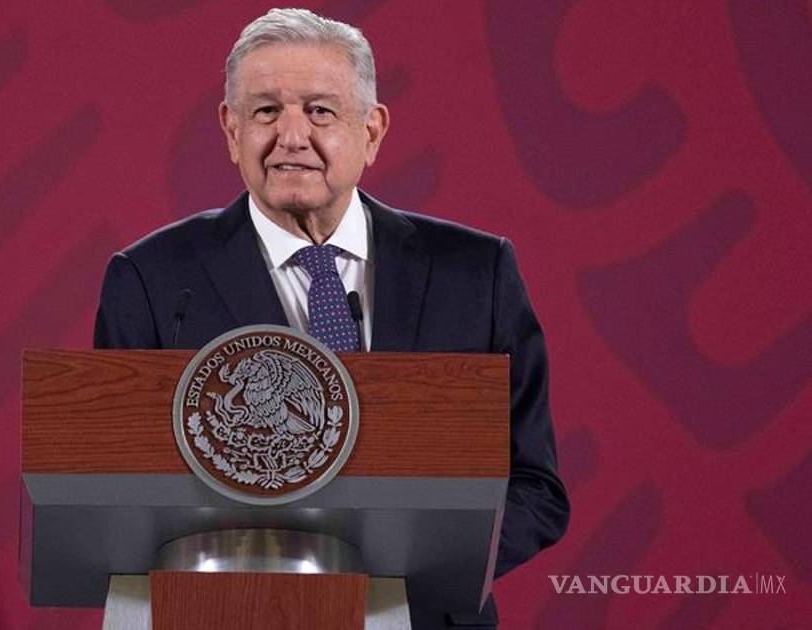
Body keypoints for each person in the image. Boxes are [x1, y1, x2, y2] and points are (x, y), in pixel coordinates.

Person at [94, 8, 568, 628]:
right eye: (266, 111)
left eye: (320, 111)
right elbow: (113, 494)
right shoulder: (151, 279)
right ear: (231, 130)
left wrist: (411, 570)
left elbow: (534, 484)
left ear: (371, 131)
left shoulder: (475, 273)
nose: (292, 135)